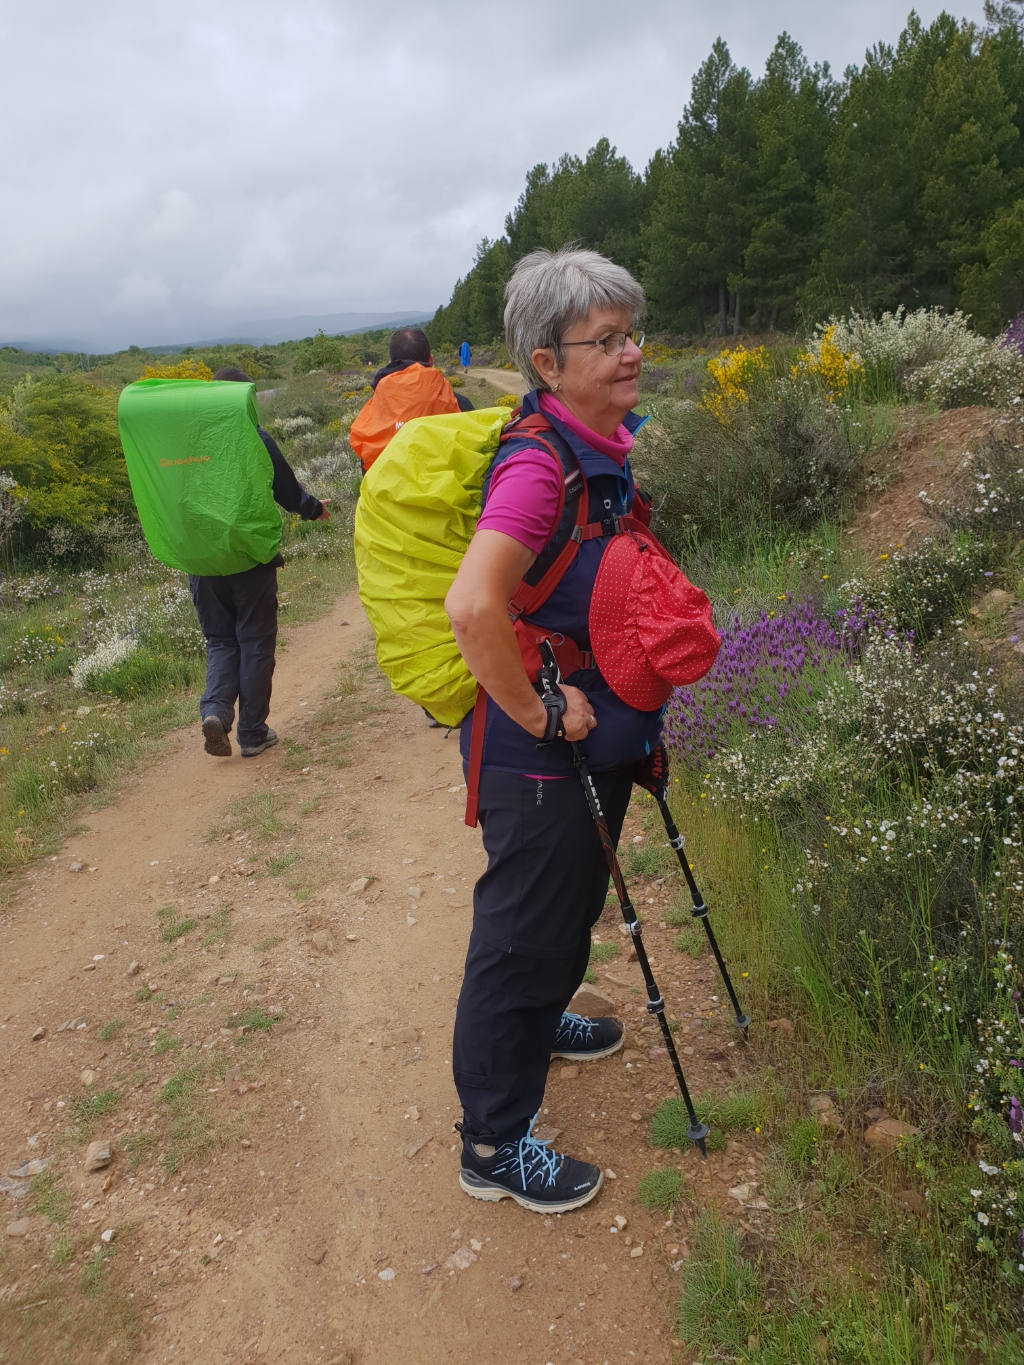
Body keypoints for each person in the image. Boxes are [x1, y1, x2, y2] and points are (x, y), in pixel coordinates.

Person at [444, 247, 718, 1213]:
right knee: (519, 936)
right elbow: (473, 606)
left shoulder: (602, 448)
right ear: (545, 363)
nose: (630, 352)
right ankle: (492, 1141)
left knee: (564, 912)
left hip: (588, 728)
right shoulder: (538, 466)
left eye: (631, 331)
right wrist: (536, 708)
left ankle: (545, 1019)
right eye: (603, 340)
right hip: (539, 744)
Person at [191, 366, 330, 759]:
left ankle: (216, 712)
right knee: (254, 640)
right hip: (249, 558)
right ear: (245, 400)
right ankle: (252, 733)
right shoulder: (253, 438)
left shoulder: (188, 445)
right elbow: (286, 490)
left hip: (202, 559)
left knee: (220, 640)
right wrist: (314, 509)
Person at [350, 328, 473, 475]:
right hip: (451, 496)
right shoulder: (460, 405)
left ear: (390, 364)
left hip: (390, 496)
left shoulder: (371, 417)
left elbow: (367, 471)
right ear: (431, 360)